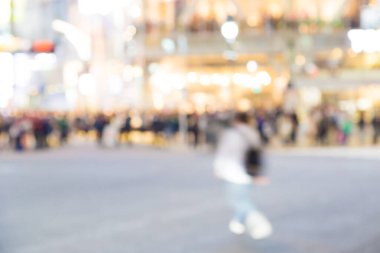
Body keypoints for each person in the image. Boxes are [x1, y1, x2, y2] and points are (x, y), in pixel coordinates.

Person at [213, 112, 272, 240]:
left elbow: (224, 152)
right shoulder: (252, 133)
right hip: (248, 171)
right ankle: (238, 223)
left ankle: (259, 223)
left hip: (233, 171)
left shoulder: (231, 134)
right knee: (243, 197)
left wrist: (218, 168)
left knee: (238, 201)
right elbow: (257, 153)